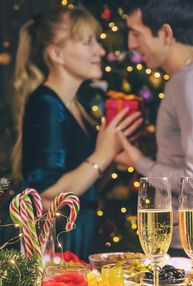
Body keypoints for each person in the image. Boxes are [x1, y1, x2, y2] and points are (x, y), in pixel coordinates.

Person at [12, 7, 142, 260]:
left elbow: (81, 183)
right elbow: (48, 194)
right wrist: (101, 156)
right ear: (57, 54)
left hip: (74, 239)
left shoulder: (77, 106)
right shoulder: (46, 104)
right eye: (87, 42)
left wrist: (112, 155)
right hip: (53, 248)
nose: (100, 51)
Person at [117, 0, 193, 256]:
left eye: (136, 33)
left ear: (165, 33)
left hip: (189, 247)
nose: (130, 44)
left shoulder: (191, 84)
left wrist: (138, 161)